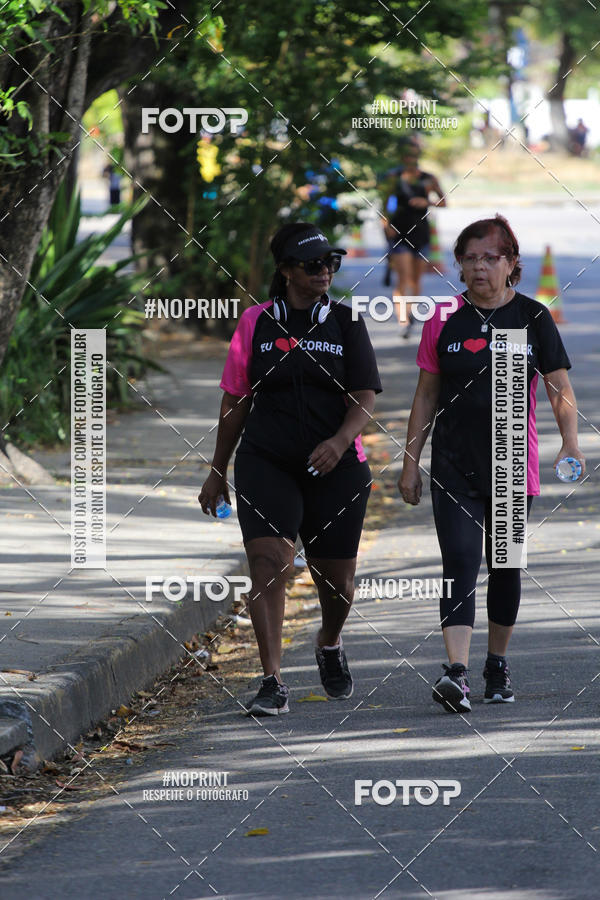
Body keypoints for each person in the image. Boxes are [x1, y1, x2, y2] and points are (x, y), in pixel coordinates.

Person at [398, 215, 585, 714]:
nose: (480, 267)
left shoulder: (534, 318)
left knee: (505, 567)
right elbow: (425, 395)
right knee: (458, 562)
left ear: (511, 263)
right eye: (470, 257)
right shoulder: (443, 319)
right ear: (458, 264)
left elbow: (559, 386)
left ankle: (496, 664)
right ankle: (456, 674)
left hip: (510, 463)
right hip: (454, 465)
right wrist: (410, 462)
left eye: (490, 257)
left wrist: (570, 442)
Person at [198, 223, 382, 716]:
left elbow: (365, 395)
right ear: (285, 271)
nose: (324, 271)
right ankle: (271, 680)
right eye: (312, 264)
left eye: (330, 262)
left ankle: (328, 641)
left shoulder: (346, 321)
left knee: (337, 581)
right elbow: (236, 397)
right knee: (267, 562)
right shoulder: (255, 323)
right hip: (267, 459)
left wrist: (341, 440)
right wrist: (217, 468)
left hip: (337, 463)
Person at [382, 145, 446, 338]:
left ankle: (410, 312)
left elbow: (443, 201)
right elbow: (384, 205)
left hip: (421, 234)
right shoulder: (393, 178)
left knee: (416, 279)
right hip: (399, 234)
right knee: (403, 277)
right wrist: (386, 225)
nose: (410, 160)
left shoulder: (428, 178)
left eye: (414, 156)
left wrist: (426, 202)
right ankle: (403, 321)